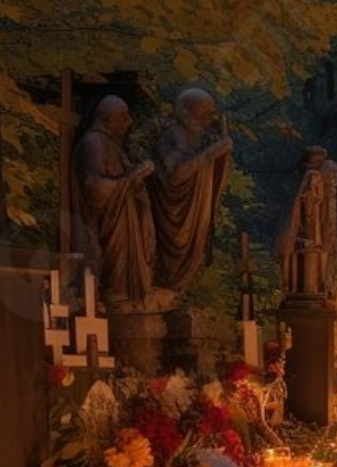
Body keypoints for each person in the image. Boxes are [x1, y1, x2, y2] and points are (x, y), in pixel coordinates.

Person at [74, 96, 160, 308]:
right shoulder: (93, 143)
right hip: (110, 228)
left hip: (125, 225)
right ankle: (115, 294)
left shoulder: (111, 145)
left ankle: (125, 296)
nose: (129, 122)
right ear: (108, 120)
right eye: (124, 117)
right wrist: (131, 179)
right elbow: (93, 189)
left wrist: (137, 178)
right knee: (116, 280)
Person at [150, 88, 233, 291]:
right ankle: (168, 283)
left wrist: (220, 153)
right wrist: (212, 152)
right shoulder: (171, 137)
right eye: (205, 115)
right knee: (176, 246)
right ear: (188, 114)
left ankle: (178, 289)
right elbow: (176, 174)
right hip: (173, 213)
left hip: (195, 215)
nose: (210, 120)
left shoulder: (200, 138)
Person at [277, 145, 337, 297]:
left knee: (322, 248)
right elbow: (305, 201)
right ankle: (308, 284)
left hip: (322, 220)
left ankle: (322, 283)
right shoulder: (312, 176)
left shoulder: (322, 173)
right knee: (309, 242)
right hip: (310, 222)